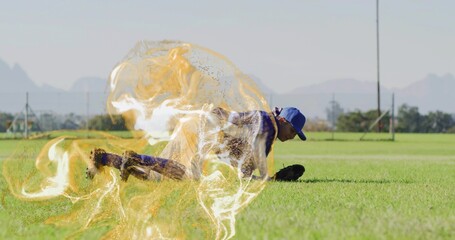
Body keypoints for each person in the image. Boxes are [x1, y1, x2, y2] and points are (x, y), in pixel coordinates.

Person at [86, 106, 307, 181]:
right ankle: (131, 159)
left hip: (202, 130)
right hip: (205, 136)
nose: (293, 136)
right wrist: (266, 179)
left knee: (157, 178)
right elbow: (250, 164)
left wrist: (260, 177)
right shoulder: (267, 127)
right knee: (183, 176)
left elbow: (244, 164)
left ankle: (105, 158)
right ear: (284, 120)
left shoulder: (264, 118)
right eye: (293, 131)